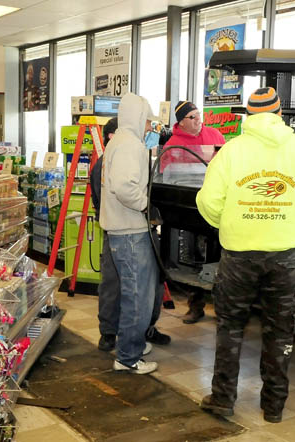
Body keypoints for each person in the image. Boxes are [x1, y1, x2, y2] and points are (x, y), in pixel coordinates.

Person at [196, 87, 295, 423]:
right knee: (282, 329)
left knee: (230, 326)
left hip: (239, 254)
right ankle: (274, 405)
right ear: (280, 114)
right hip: (287, 253)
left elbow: (208, 202)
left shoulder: (231, 151)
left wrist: (231, 225)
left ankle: (223, 399)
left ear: (248, 115)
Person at [90, 118, 171, 352]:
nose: (148, 131)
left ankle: (144, 329)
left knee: (149, 285)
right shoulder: (106, 163)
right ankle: (111, 333)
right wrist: (143, 206)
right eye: (144, 126)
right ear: (112, 136)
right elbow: (108, 198)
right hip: (120, 232)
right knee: (116, 286)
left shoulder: (138, 156)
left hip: (141, 229)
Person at [99, 93, 160, 375]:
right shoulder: (130, 145)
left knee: (130, 293)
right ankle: (127, 357)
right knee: (138, 296)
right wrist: (148, 206)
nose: (150, 127)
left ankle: (130, 343)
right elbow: (124, 188)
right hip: (131, 231)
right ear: (138, 118)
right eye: (147, 121)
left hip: (120, 231)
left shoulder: (117, 142)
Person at [161, 100, 227, 324]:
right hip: (188, 210)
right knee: (192, 258)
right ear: (181, 122)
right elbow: (165, 175)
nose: (199, 119)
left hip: (216, 206)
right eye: (193, 117)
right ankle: (195, 305)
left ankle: (222, 309)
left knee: (218, 256)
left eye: (199, 115)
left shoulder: (216, 136)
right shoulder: (172, 144)